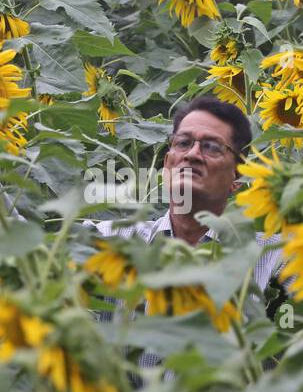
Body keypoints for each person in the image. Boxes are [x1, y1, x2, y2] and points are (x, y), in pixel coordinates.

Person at [86, 97, 287, 364]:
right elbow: (28, 256)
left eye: (211, 147)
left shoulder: (273, 255)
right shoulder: (112, 241)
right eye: (183, 143)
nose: (192, 154)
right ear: (167, 163)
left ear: (236, 178)